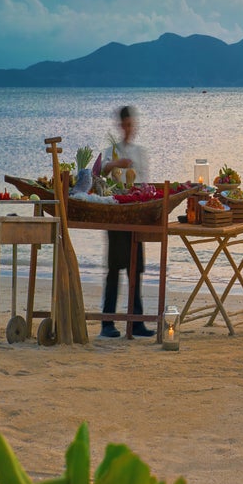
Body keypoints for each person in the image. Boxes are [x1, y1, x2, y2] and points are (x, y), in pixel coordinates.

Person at [99, 105, 155, 338]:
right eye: (126, 124)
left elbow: (145, 181)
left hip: (135, 212)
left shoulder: (140, 152)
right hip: (115, 212)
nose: (130, 129)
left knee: (136, 269)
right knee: (114, 268)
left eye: (133, 124)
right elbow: (99, 173)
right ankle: (107, 323)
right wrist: (115, 164)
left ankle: (136, 321)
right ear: (120, 125)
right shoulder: (112, 150)